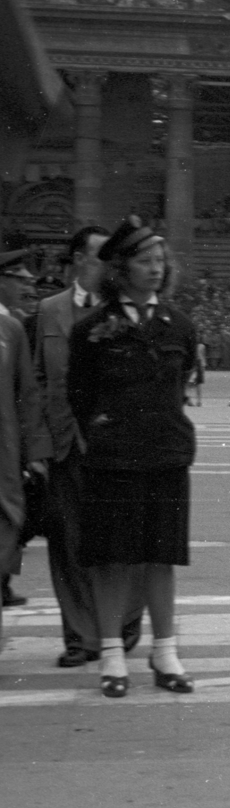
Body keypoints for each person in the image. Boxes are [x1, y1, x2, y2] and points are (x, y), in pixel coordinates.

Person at [68, 216, 201, 698]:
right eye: (145, 261)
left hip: (166, 454)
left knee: (161, 557)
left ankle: (165, 652)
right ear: (121, 270)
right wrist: (107, 433)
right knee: (113, 560)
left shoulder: (179, 325)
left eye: (160, 261)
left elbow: (180, 382)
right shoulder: (91, 330)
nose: (155, 269)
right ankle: (111, 655)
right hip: (115, 459)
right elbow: (79, 398)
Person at [34, 226, 142, 667]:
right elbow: (39, 379)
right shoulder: (48, 310)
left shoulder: (129, 311)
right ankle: (81, 637)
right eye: (100, 256)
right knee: (69, 544)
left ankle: (124, 627)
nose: (109, 265)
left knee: (124, 541)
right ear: (78, 259)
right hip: (66, 446)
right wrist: (41, 444)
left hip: (116, 446)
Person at [0, 249, 40, 608]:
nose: (25, 286)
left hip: (6, 448)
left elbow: (26, 393)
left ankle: (4, 583)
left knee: (11, 521)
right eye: (19, 279)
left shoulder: (12, 328)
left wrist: (33, 451)